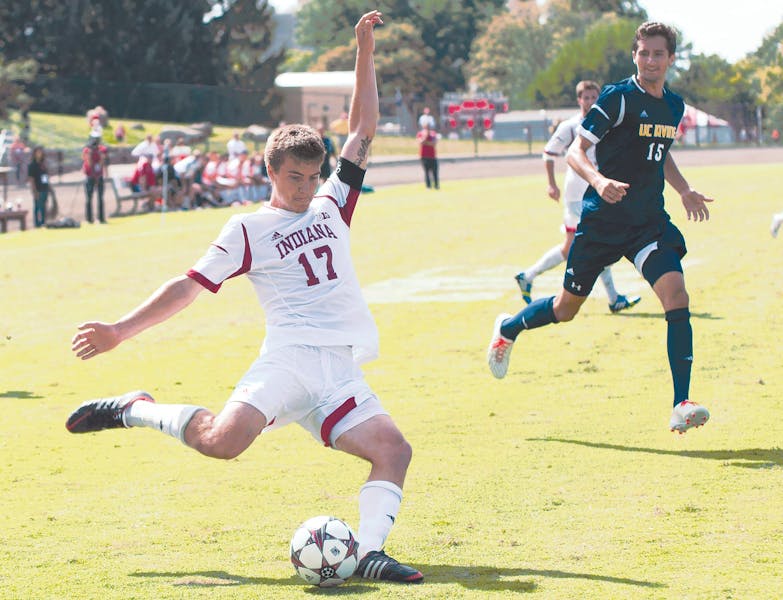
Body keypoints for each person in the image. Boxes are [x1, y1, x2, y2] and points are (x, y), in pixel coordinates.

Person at [66, 10, 423, 584]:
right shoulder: (247, 230)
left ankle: (368, 553)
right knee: (221, 443)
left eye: (313, 177)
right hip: (287, 360)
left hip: (337, 369)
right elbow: (188, 286)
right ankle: (136, 409)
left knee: (394, 450)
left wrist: (364, 51)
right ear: (271, 173)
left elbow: (362, 131)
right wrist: (118, 331)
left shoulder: (334, 204)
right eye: (295, 179)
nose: (306, 189)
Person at [487, 22, 714, 434]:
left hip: (647, 222)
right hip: (602, 221)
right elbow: (576, 151)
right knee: (565, 309)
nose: (650, 61)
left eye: (658, 54)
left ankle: (681, 403)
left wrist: (684, 190)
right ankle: (508, 328)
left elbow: (660, 153)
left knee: (676, 295)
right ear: (635, 55)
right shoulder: (617, 98)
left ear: (671, 59)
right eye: (643, 53)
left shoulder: (674, 106)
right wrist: (598, 181)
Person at [514, 81, 640, 313]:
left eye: (594, 97)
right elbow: (548, 153)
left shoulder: (605, 124)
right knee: (597, 242)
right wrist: (551, 184)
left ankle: (527, 276)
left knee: (574, 246)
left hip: (596, 192)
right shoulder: (571, 126)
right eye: (586, 97)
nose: (591, 101)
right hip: (577, 195)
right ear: (579, 100)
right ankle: (613, 299)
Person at [82, 134, 109, 224]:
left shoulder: (101, 150)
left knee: (100, 198)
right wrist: (90, 154)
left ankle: (101, 218)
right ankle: (89, 218)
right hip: (90, 176)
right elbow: (87, 162)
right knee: (89, 198)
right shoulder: (87, 150)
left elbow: (102, 162)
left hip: (99, 176)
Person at [27, 146, 49, 227]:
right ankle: (37, 224)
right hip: (38, 189)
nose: (40, 154)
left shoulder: (43, 164)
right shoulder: (32, 165)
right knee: (37, 207)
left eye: (41, 152)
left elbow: (46, 177)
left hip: (45, 188)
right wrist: (34, 191)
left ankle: (43, 222)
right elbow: (31, 179)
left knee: (44, 206)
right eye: (38, 152)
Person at [416, 122, 439, 190]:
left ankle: (436, 185)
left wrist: (427, 143)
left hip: (432, 156)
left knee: (435, 172)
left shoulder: (433, 134)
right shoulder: (420, 134)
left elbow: (434, 143)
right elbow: (421, 142)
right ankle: (428, 186)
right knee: (426, 172)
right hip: (424, 156)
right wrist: (426, 138)